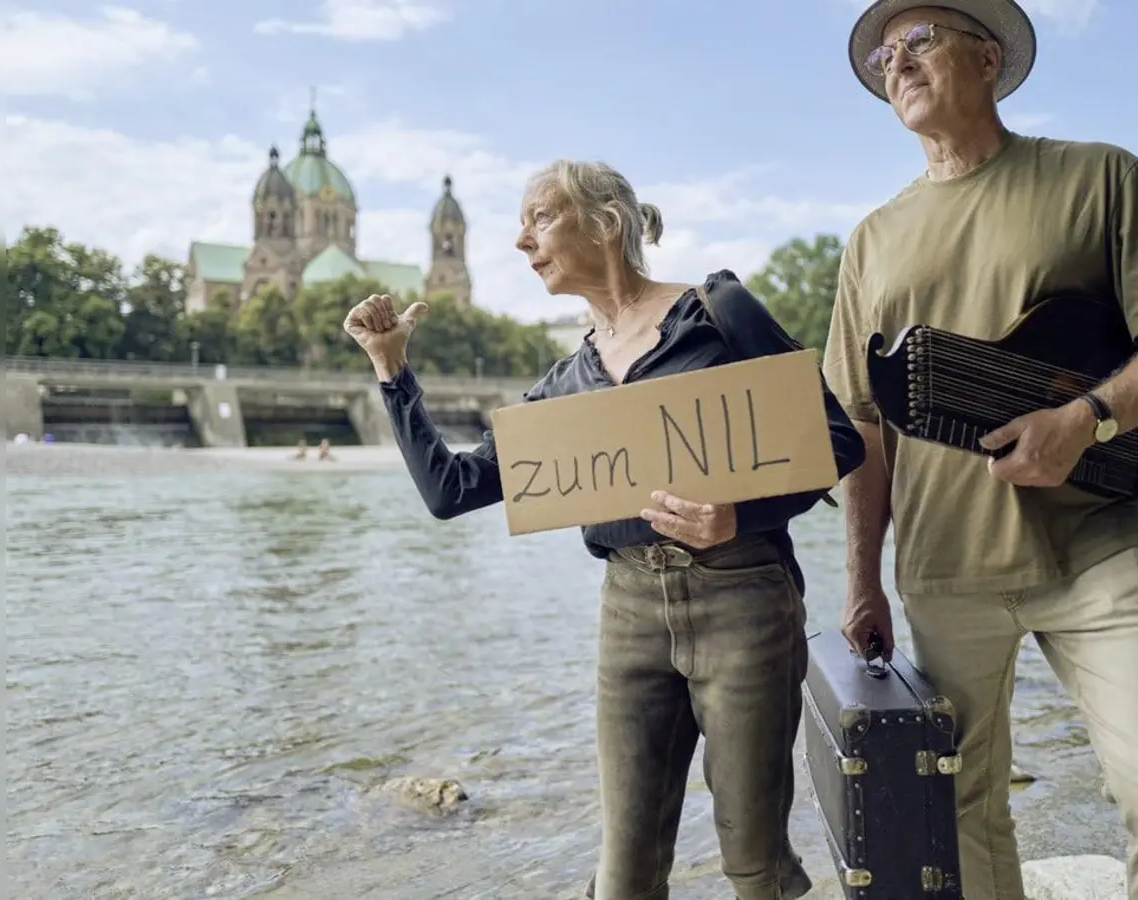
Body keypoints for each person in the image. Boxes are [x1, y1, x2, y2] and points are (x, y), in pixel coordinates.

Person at [342, 159, 866, 900]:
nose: (522, 241)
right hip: (628, 613)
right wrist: (393, 371)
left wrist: (736, 515)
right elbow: (450, 492)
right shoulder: (564, 385)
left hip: (745, 597)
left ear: (607, 221)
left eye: (541, 218)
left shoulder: (716, 311)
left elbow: (839, 441)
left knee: (754, 861)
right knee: (624, 874)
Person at [821, 3, 1138, 899]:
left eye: (919, 41)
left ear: (988, 54)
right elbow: (861, 426)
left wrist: (1088, 417)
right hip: (942, 568)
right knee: (962, 815)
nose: (897, 63)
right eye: (884, 55)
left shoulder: (1099, 178)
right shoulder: (870, 240)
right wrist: (863, 579)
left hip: (1100, 545)